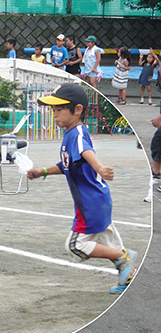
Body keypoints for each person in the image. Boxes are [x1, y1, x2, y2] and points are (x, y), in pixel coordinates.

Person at [27, 83, 137, 293]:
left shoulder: (76, 133)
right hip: (99, 199)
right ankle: (128, 276)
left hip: (89, 202)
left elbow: (86, 152)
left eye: (59, 110)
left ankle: (124, 258)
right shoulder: (71, 133)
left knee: (75, 246)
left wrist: (100, 167)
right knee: (111, 244)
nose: (55, 115)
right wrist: (43, 171)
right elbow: (68, 164)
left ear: (77, 110)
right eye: (53, 110)